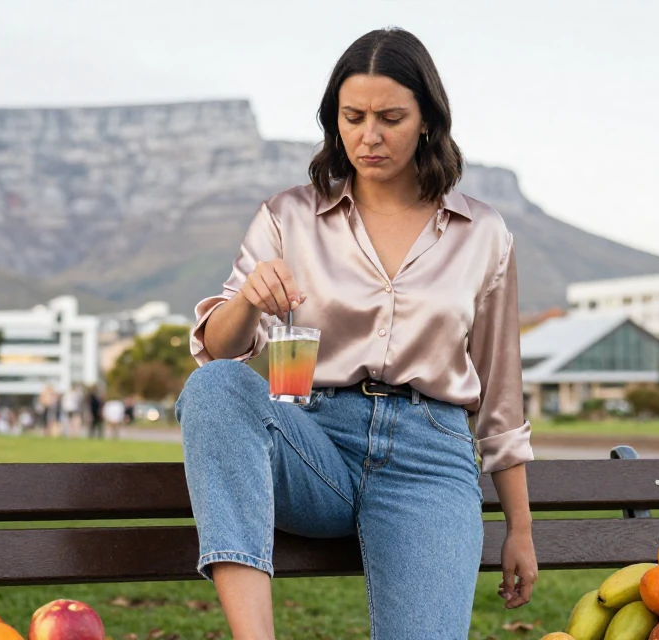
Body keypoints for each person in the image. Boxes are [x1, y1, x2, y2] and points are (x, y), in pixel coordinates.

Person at [173, 28, 535, 639]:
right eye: (354, 117)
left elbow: (500, 391)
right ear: (333, 121)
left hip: (430, 460)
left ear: (427, 121)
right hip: (315, 442)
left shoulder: (484, 233)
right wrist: (248, 298)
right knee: (216, 388)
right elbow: (219, 348)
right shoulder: (288, 216)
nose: (370, 135)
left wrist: (520, 529)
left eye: (391, 117)